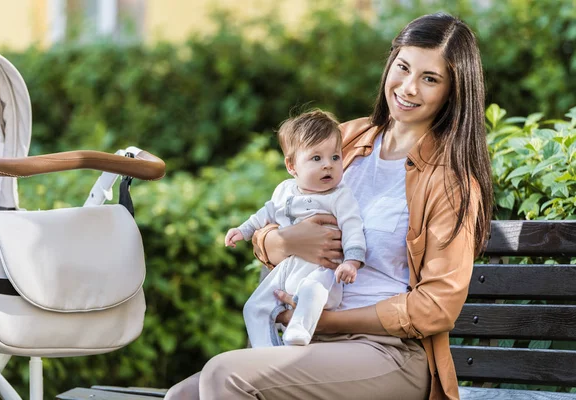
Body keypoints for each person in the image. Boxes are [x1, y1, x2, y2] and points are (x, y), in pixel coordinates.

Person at [165, 12, 493, 400]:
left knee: (224, 374)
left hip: (387, 353)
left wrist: (327, 321)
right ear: (390, 63)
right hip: (313, 337)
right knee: (182, 396)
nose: (408, 87)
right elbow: (281, 208)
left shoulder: (450, 181)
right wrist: (283, 243)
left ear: (452, 91)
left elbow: (436, 307)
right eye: (403, 67)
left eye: (430, 79)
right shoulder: (347, 140)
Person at [224, 110, 366, 347]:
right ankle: (265, 353)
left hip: (323, 272)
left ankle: (298, 332)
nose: (328, 166)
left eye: (335, 157)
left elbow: (353, 228)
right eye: (316, 158)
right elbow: (267, 213)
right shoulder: (284, 190)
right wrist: (244, 230)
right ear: (292, 165)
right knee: (254, 307)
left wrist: (351, 261)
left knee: (312, 290)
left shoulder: (340, 197)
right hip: (289, 268)